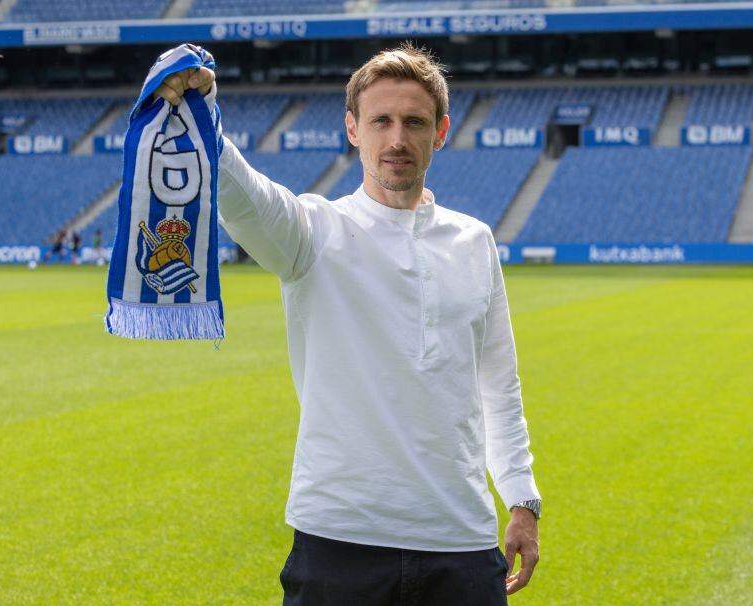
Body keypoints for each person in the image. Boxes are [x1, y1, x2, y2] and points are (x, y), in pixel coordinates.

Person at [158, 43, 541, 605]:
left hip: (460, 540)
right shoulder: (312, 232)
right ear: (352, 129)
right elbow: (244, 199)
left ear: (440, 131)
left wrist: (521, 499)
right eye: (380, 121)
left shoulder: (475, 241)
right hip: (339, 541)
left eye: (414, 122)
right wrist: (201, 109)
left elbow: (498, 385)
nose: (396, 139)